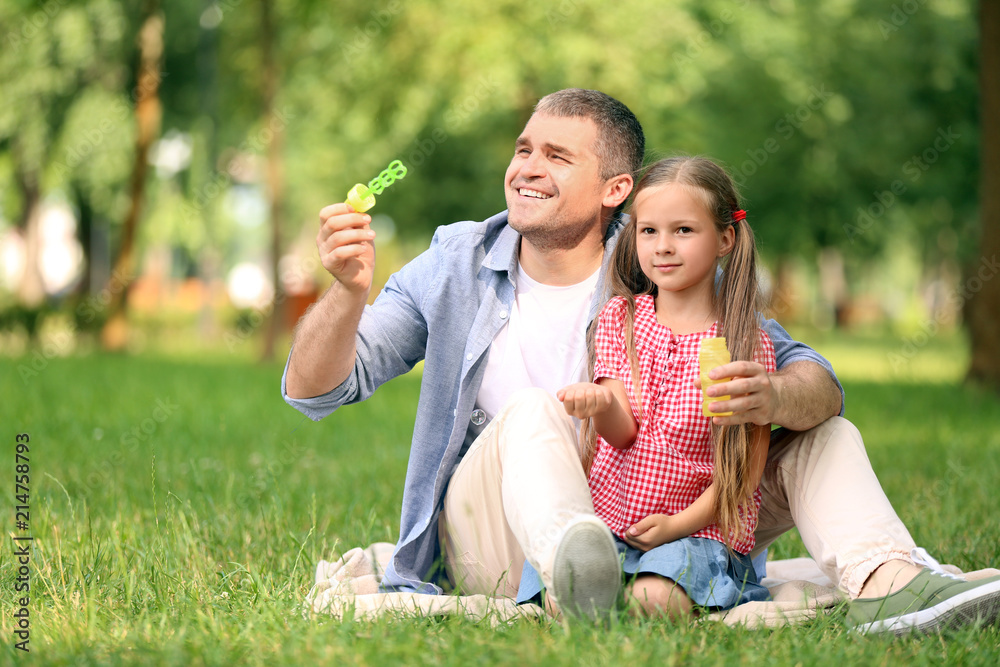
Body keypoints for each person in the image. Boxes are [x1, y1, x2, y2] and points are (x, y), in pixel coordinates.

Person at [282, 88, 1000, 631]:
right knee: (537, 408)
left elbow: (817, 381)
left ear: (615, 189)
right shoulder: (454, 262)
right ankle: (580, 577)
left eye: (557, 157)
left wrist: (771, 397)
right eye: (524, 148)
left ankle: (891, 583)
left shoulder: (661, 258)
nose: (527, 168)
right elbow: (313, 391)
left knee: (827, 433)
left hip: (651, 510)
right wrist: (347, 293)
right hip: (501, 533)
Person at [547, 156, 776, 618]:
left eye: (684, 231)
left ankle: (623, 600)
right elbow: (623, 433)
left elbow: (744, 473)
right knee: (559, 593)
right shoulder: (622, 319)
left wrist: (676, 525)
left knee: (653, 600)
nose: (663, 247)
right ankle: (593, 596)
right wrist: (600, 403)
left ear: (725, 239)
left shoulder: (743, 344)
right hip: (611, 521)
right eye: (648, 231)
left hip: (698, 531)